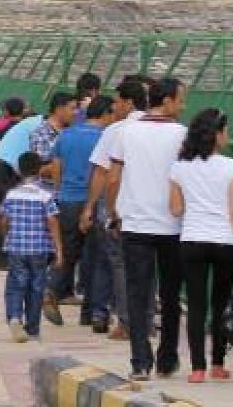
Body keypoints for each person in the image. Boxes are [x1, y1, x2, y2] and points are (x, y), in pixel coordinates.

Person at [107, 78, 188, 381]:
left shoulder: (125, 132)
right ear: (166, 101)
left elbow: (113, 178)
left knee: (138, 293)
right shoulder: (183, 134)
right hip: (173, 224)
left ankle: (140, 360)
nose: (183, 106)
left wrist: (114, 211)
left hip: (136, 223)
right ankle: (168, 356)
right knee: (169, 294)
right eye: (180, 100)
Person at [169, 108, 233, 383]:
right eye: (225, 131)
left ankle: (197, 368)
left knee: (196, 305)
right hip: (225, 242)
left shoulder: (179, 167)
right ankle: (218, 363)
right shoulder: (231, 167)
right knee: (220, 304)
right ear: (216, 135)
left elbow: (175, 209)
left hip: (192, 240)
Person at [84, 77, 150, 341]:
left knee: (120, 265)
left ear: (129, 102)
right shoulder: (171, 129)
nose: (116, 107)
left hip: (123, 206)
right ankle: (146, 320)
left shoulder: (117, 131)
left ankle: (127, 322)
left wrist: (94, 207)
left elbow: (104, 173)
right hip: (154, 209)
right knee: (149, 266)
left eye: (119, 101)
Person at [48, 95, 117, 331]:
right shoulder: (106, 138)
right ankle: (94, 312)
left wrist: (58, 193)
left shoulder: (66, 135)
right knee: (97, 258)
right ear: (107, 114)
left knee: (67, 252)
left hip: (67, 199)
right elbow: (105, 173)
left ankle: (52, 288)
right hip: (93, 201)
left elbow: (57, 167)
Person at [0, 152, 64, 343]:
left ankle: (14, 317)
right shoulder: (46, 194)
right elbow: (52, 221)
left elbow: (3, 220)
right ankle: (33, 327)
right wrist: (59, 250)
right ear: (39, 170)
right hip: (39, 249)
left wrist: (7, 237)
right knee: (37, 287)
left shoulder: (11, 194)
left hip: (16, 248)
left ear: (19, 170)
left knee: (16, 284)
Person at [0, 100, 40, 269]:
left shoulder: (25, 124)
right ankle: (2, 260)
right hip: (3, 169)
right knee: (4, 213)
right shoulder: (40, 127)